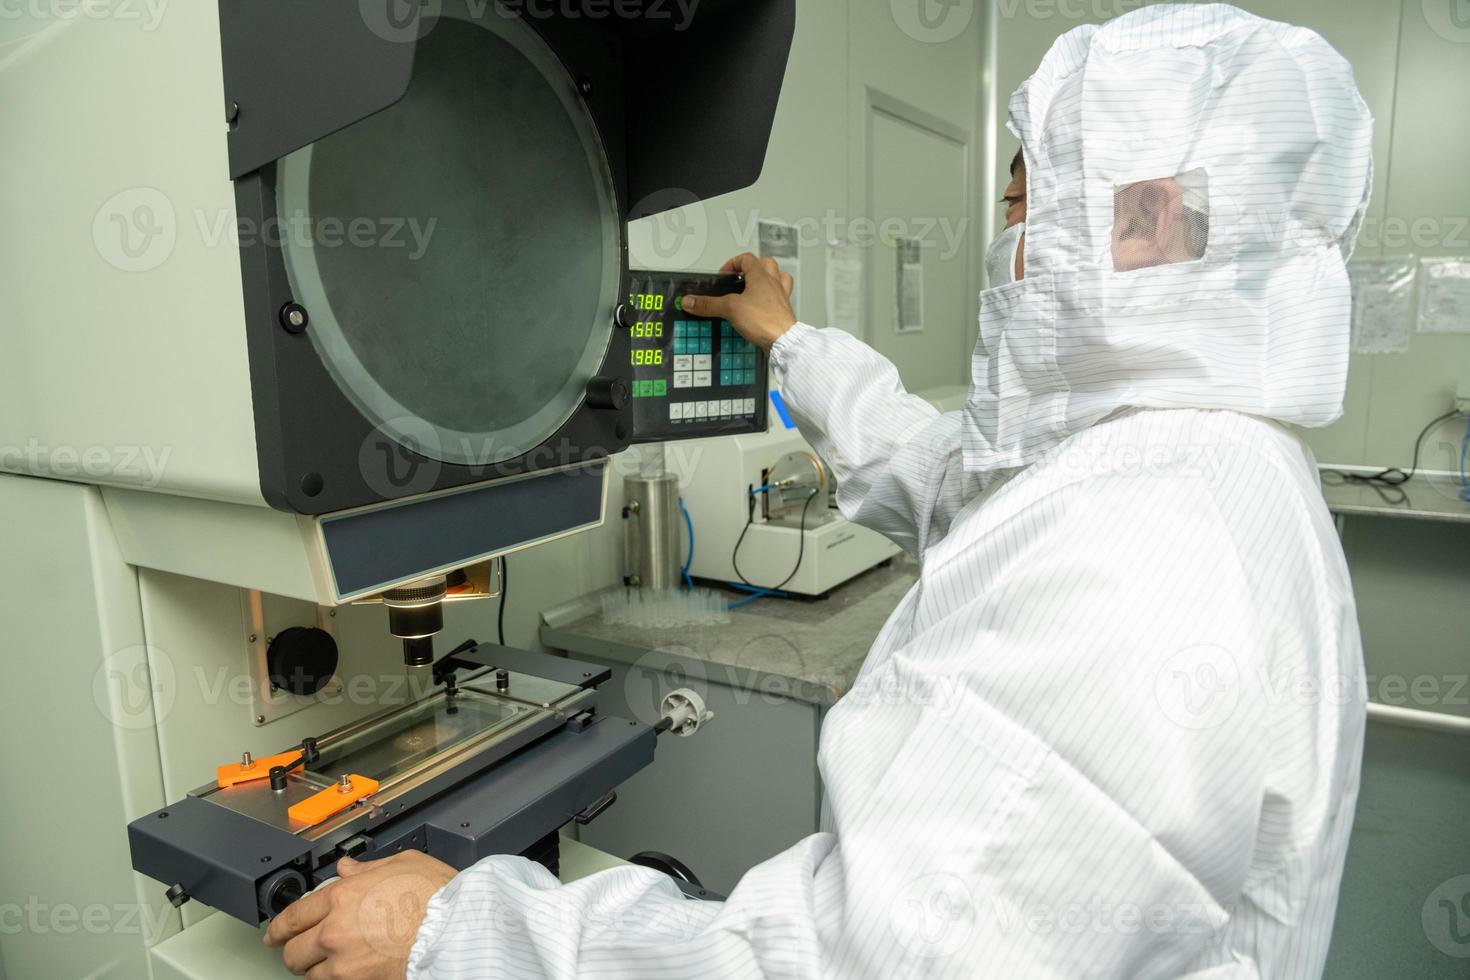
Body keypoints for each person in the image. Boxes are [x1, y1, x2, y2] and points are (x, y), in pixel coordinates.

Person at [266, 4, 1375, 977]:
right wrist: (788, 341)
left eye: (1028, 201)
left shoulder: (1144, 546)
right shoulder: (1191, 461)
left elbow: (862, 963)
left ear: (1145, 224)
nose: (1010, 244)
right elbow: (948, 476)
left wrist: (457, 930)